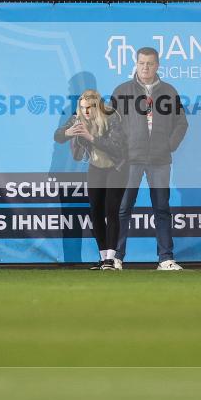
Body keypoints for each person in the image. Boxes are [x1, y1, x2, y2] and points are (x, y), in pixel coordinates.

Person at [111, 47, 189, 270]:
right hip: (130, 160)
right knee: (123, 207)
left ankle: (165, 258)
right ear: (136, 64)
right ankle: (116, 257)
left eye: (150, 63)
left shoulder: (169, 91)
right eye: (142, 63)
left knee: (162, 208)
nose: (146, 67)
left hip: (160, 160)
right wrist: (121, 152)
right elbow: (112, 126)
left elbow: (181, 123)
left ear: (158, 65)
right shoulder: (121, 91)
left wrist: (168, 146)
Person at [54, 89, 128, 270]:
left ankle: (112, 259)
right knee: (95, 212)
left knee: (111, 211)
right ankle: (103, 258)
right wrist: (68, 132)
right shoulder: (79, 117)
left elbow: (116, 148)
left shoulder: (111, 115)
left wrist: (90, 137)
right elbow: (57, 136)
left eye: (89, 107)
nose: (86, 111)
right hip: (96, 167)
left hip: (117, 167)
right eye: (82, 108)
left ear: (98, 106)